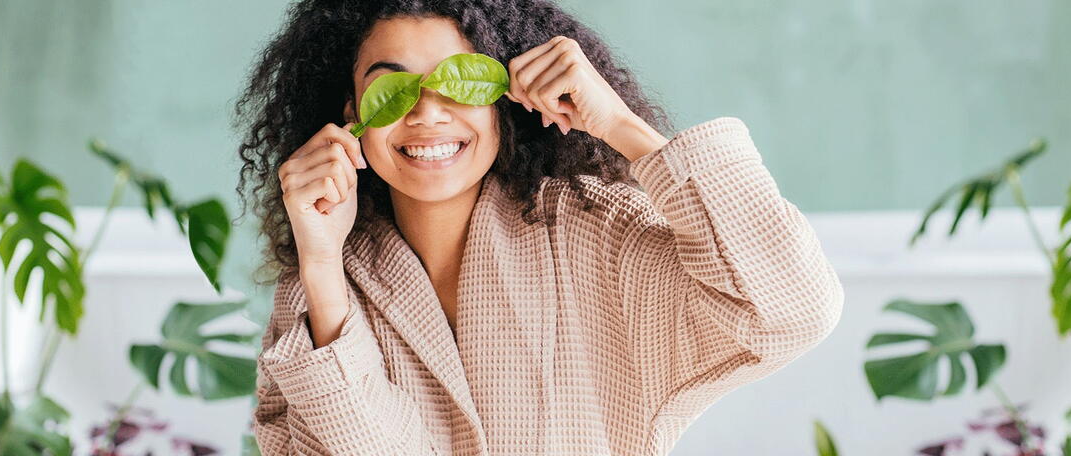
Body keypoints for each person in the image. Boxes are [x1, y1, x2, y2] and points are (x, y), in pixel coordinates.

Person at [234, 1, 845, 454]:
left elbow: (791, 310)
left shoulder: (599, 235)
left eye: (459, 81)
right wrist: (321, 266)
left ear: (503, 99)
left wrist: (621, 127)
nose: (427, 111)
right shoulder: (317, 294)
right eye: (391, 89)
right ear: (351, 114)